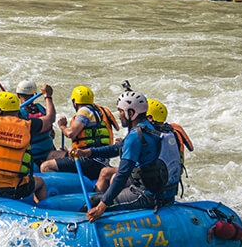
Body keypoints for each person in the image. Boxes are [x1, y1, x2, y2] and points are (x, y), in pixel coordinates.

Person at [74, 91, 173, 221]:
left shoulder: (135, 137)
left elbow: (122, 175)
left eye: (121, 111)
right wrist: (88, 152)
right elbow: (117, 148)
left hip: (146, 195)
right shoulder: (150, 127)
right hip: (166, 194)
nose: (119, 115)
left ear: (130, 113)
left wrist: (101, 206)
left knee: (93, 201)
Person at [41, 86, 120, 189]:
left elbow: (71, 133)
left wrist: (62, 126)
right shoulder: (102, 111)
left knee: (46, 166)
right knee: (53, 155)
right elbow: (116, 128)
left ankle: (64, 191)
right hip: (101, 160)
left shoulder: (84, 112)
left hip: (89, 161)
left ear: (75, 102)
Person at [147, 98, 194, 198]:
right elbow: (191, 147)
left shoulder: (152, 136)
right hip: (173, 184)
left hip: (155, 186)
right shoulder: (174, 130)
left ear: (150, 118)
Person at [15, 80, 57, 165]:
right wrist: (48, 96)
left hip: (31, 159)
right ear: (34, 94)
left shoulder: (18, 114)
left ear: (18, 95)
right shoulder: (42, 109)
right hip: (49, 154)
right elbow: (52, 133)